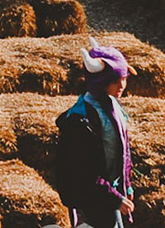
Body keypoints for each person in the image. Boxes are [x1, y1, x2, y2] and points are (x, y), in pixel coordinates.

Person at [53, 44, 136, 228]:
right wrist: (114, 199)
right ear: (100, 83)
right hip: (90, 198)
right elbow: (83, 172)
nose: (122, 85)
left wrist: (126, 184)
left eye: (124, 78)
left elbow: (123, 150)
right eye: (116, 81)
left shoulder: (114, 106)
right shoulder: (80, 121)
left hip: (109, 194)